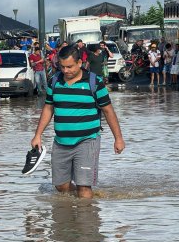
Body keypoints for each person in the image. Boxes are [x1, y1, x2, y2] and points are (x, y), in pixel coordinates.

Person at [31, 46, 125, 199]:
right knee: (61, 186)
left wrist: (118, 138)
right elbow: (48, 108)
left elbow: (108, 111)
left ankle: (86, 219)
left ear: (80, 63)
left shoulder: (95, 82)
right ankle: (73, 212)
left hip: (87, 141)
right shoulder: (54, 81)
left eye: (69, 66)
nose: (66, 70)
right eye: (62, 67)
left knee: (84, 187)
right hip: (61, 142)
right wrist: (37, 135)